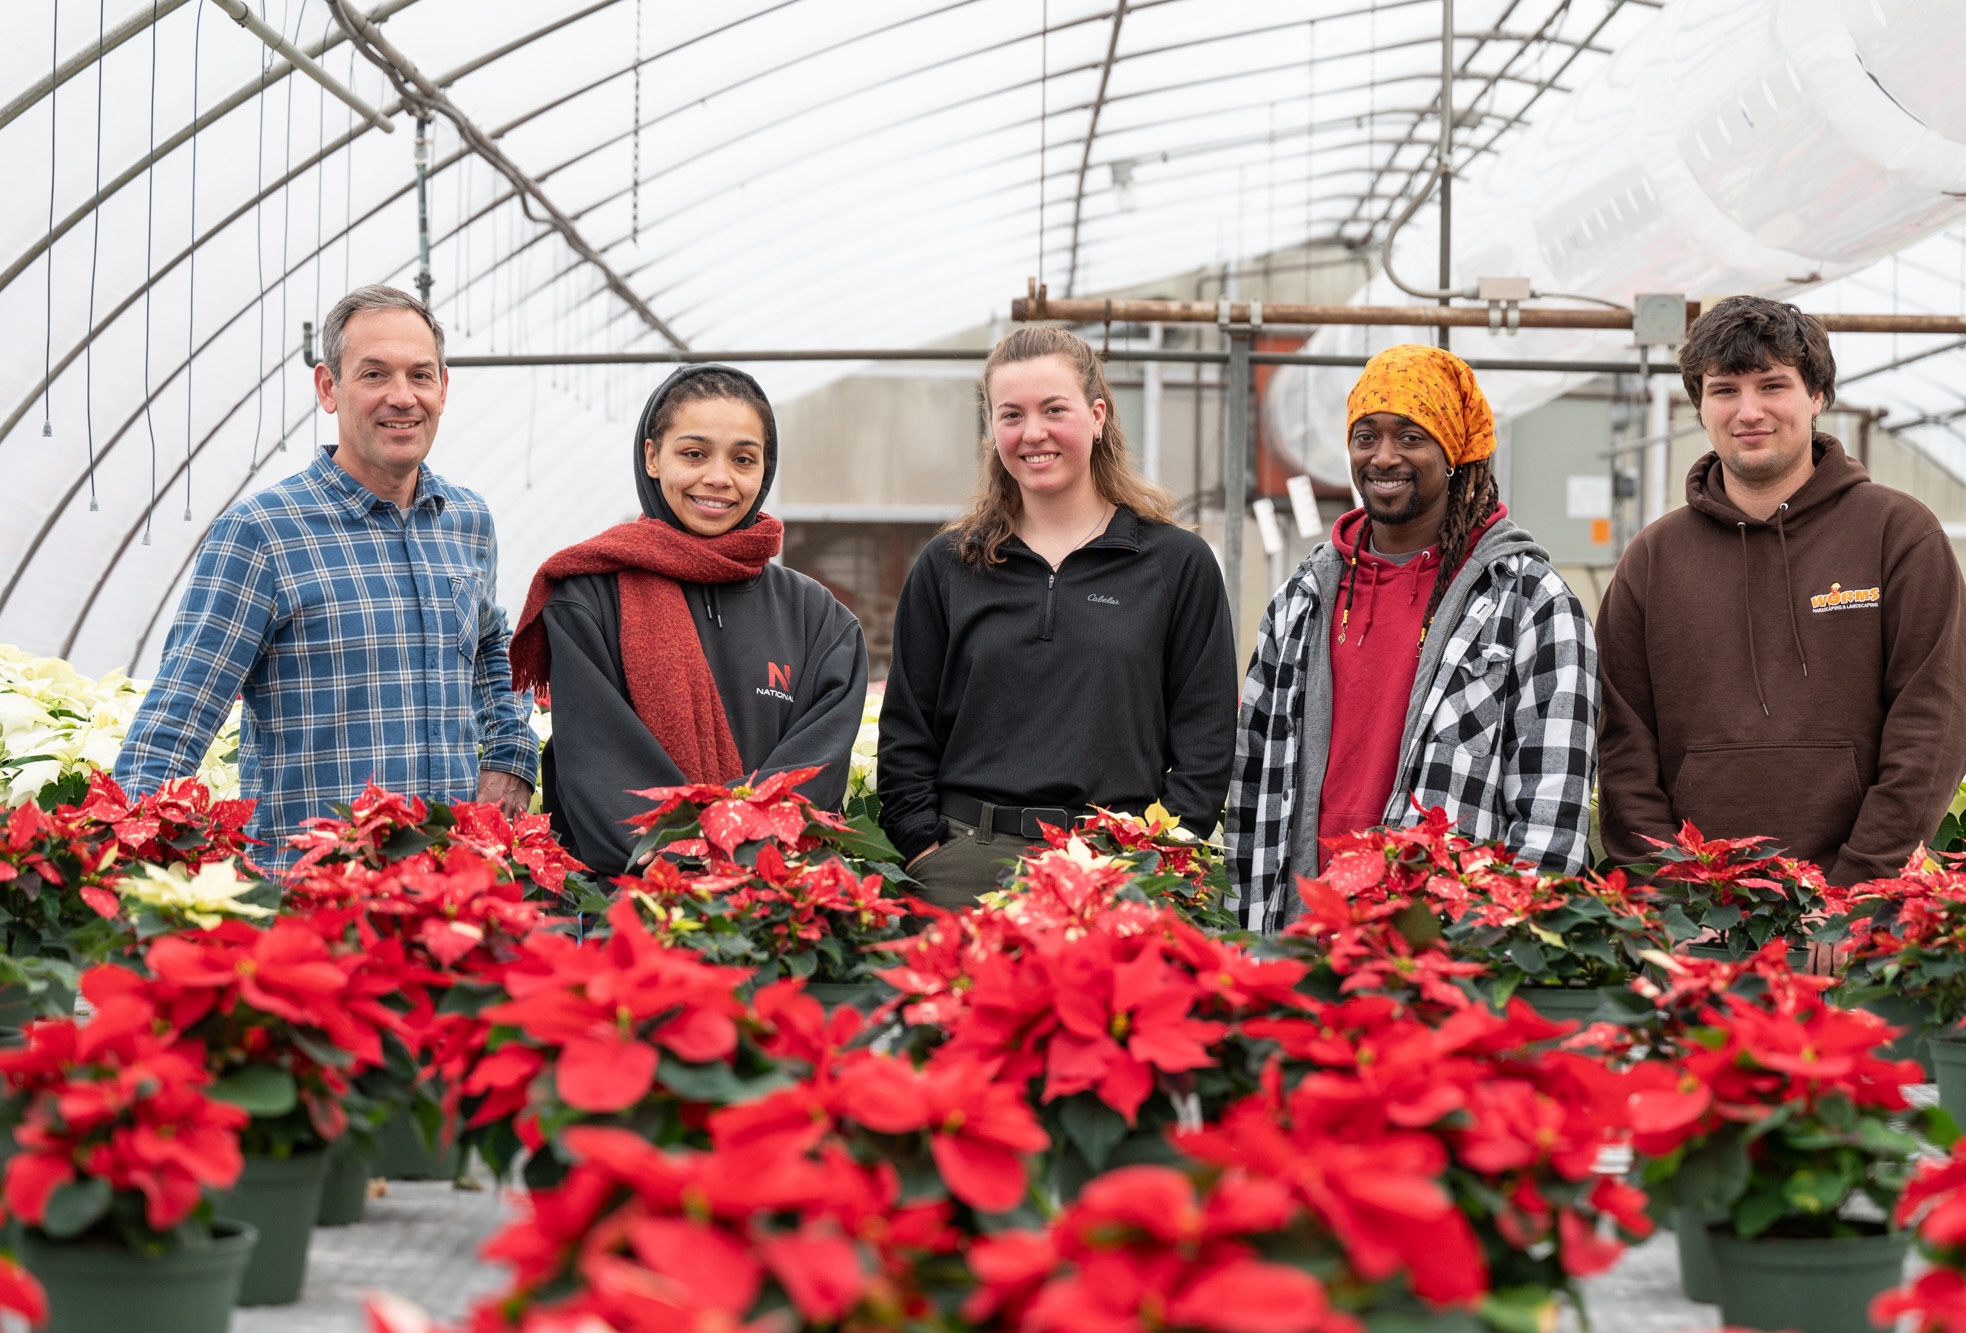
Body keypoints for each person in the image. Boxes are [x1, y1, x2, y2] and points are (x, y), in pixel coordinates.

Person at [114, 285, 537, 869]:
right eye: (374, 374)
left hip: (451, 891)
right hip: (317, 901)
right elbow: (178, 716)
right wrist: (132, 860)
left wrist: (512, 753)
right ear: (328, 388)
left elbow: (492, 643)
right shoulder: (262, 533)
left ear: (443, 387)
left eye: (420, 375)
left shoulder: (466, 521)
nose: (402, 397)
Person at [1595, 295, 1966, 889]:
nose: (1749, 411)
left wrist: (1858, 886)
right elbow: (1622, 746)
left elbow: (1935, 724)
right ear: (1700, 406)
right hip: (1697, 913)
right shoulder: (1653, 559)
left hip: (1854, 904)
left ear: (1817, 394)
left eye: (1772, 385)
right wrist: (1677, 895)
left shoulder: (1898, 534)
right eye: (1724, 390)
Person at [1227, 343, 1600, 936]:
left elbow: (1553, 803)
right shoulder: (1304, 598)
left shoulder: (1527, 599)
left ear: (1453, 452)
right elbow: (1253, 784)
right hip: (1299, 929)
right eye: (1366, 436)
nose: (1383, 456)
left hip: (1444, 941)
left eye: (1411, 436)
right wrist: (1246, 933)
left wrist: (1506, 944)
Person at [878, 325, 1237, 908]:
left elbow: (1207, 734)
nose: (1033, 433)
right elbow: (906, 730)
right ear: (992, 428)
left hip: (1117, 871)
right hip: (965, 867)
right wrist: (925, 849)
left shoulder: (1174, 563)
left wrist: (1158, 856)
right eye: (1011, 414)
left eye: (1054, 409)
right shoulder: (949, 565)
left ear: (1098, 416)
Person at [508, 365, 867, 880]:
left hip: (771, 902)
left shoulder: (820, 621)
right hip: (632, 901)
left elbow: (814, 772)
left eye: (743, 459)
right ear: (652, 457)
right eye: (694, 454)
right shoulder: (587, 598)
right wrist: (684, 854)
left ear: (764, 470)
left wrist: (735, 854)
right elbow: (597, 761)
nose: (719, 478)